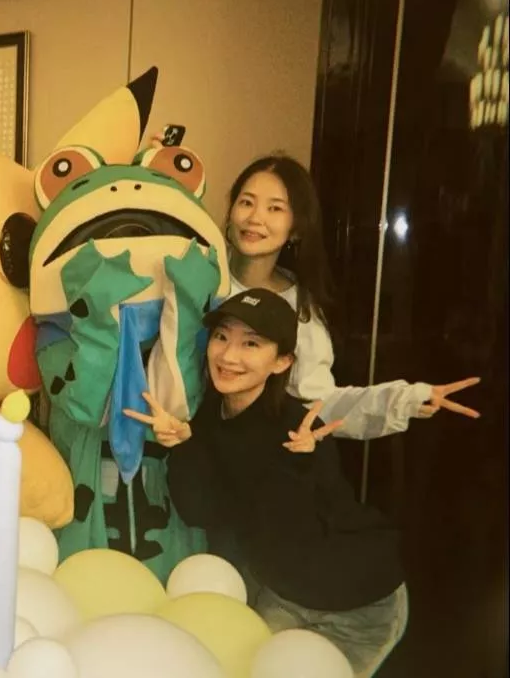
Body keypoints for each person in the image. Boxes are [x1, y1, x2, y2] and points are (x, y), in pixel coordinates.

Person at [126, 288, 408, 677]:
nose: (228, 356)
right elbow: (200, 511)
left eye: (251, 344)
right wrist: (185, 445)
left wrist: (303, 461)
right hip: (283, 596)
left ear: (281, 362)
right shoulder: (213, 413)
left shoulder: (297, 431)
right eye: (222, 336)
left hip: (355, 605)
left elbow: (294, 517)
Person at [221, 153, 481, 437]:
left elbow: (321, 403)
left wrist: (402, 400)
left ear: (296, 229)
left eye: (275, 208)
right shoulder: (199, 275)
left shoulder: (298, 307)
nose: (255, 218)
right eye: (246, 202)